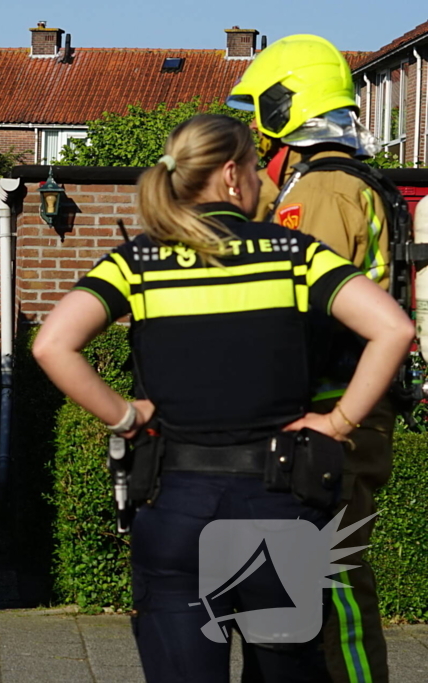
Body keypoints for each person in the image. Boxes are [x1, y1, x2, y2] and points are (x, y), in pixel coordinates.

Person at [32, 114, 413, 682]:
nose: (262, 182)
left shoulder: (136, 262)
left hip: (175, 507)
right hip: (279, 508)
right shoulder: (293, 255)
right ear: (232, 176)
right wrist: (340, 421)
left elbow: (51, 345)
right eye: (258, 169)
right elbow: (394, 329)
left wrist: (125, 413)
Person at [228, 34, 395, 683]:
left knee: (337, 580)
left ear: (286, 100)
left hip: (333, 409)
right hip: (344, 404)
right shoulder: (334, 178)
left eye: (260, 107)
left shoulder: (322, 189)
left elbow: (304, 306)